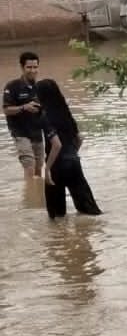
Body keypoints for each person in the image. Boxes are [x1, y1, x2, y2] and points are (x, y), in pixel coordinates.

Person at [36, 79, 102, 219]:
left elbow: (56, 144)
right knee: (89, 211)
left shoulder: (44, 116)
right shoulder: (66, 114)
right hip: (73, 163)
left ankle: (60, 239)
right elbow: (79, 139)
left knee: (56, 216)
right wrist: (72, 155)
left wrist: (47, 169)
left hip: (56, 166)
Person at [2, 51, 44, 181]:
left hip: (37, 133)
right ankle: (29, 198)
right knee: (29, 166)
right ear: (22, 67)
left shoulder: (40, 87)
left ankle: (37, 197)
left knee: (38, 169)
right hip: (20, 133)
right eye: (29, 67)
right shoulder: (12, 86)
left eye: (35, 67)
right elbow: (6, 110)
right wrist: (23, 107)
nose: (33, 70)